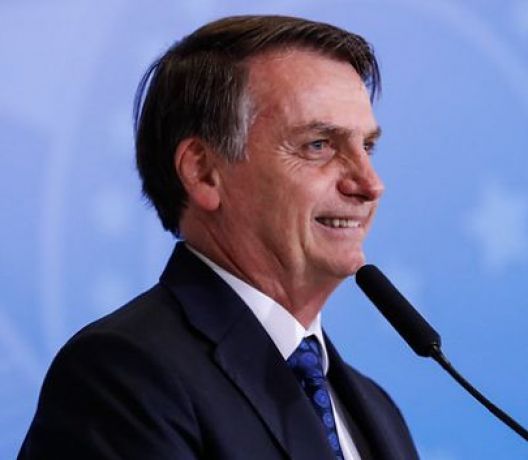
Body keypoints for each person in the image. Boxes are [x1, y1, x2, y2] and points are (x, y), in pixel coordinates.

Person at [19, 15, 419, 460]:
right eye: (319, 145)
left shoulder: (377, 410)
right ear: (204, 172)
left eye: (367, 147)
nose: (369, 184)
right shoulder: (124, 375)